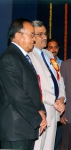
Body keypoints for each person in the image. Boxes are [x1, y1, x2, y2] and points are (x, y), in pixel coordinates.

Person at [0, 18, 47, 150]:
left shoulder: (23, 57)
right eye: (31, 35)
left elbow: (33, 89)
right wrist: (38, 118)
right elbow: (18, 95)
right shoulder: (9, 58)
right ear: (18, 35)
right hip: (15, 130)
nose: (33, 39)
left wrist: (41, 110)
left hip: (25, 129)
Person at [29, 20, 66, 150]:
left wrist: (61, 98)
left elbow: (59, 79)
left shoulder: (49, 54)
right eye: (40, 34)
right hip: (41, 110)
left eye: (45, 33)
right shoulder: (28, 55)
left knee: (49, 147)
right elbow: (33, 86)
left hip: (54, 110)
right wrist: (53, 101)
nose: (45, 37)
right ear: (32, 36)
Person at [46, 38, 63, 150]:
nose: (53, 49)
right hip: (47, 104)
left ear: (58, 49)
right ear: (47, 49)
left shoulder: (63, 64)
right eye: (51, 47)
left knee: (57, 139)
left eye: (55, 47)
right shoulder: (43, 62)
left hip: (61, 106)